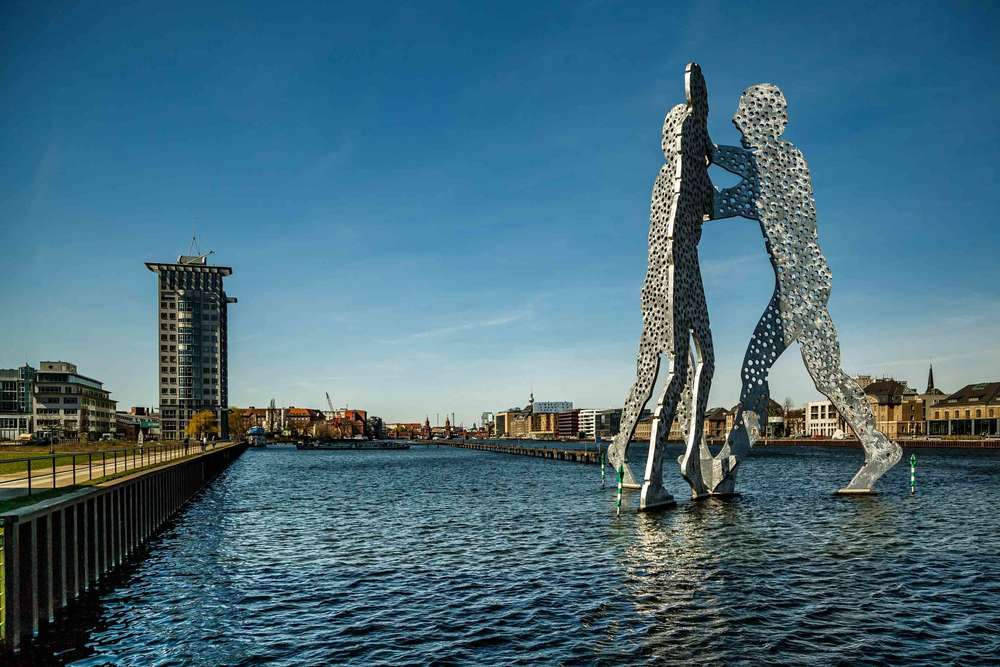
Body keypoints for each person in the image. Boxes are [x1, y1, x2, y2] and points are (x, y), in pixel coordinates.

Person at [707, 84, 901, 493]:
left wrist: (704, 149)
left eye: (744, 113)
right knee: (826, 375)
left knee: (758, 370)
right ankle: (878, 445)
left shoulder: (783, 160)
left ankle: (725, 466)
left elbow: (740, 176)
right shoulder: (766, 176)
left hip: (801, 286)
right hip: (804, 283)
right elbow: (727, 201)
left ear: (765, 120)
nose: (737, 120)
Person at [606, 62, 716, 509]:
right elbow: (671, 231)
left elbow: (708, 199)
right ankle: (652, 478)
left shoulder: (688, 176)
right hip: (671, 276)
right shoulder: (673, 179)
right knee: (674, 372)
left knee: (698, 362)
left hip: (677, 275)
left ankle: (685, 456)